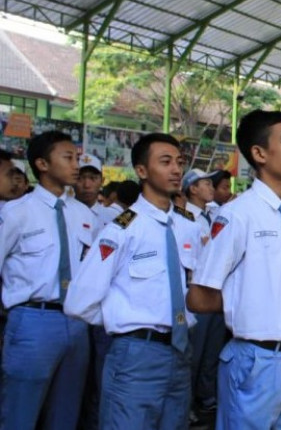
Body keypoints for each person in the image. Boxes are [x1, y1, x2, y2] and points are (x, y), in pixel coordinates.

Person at [187, 110, 281, 429]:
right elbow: (199, 297)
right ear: (259, 153)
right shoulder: (237, 215)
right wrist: (244, 299)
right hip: (256, 358)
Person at [65, 133, 203, 429]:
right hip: (136, 354)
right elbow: (79, 302)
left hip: (180, 351)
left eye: (179, 162)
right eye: (165, 162)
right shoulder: (122, 229)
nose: (176, 170)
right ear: (141, 171)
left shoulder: (187, 225)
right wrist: (124, 321)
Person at [0, 131, 97, 429]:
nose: (76, 165)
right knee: (20, 410)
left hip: (76, 321)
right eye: (68, 158)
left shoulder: (84, 214)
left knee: (65, 411)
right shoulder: (16, 213)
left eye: (77, 158)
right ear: (42, 164)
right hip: (32, 320)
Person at [182, 168, 224, 424]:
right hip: (197, 293)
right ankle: (186, 403)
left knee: (211, 353)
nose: (211, 186)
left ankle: (206, 399)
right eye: (205, 183)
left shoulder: (217, 215)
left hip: (217, 293)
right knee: (193, 356)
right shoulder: (184, 218)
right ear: (192, 189)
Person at [75, 153, 120, 226]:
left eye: (93, 178)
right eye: (80, 178)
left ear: (102, 181)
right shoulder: (63, 213)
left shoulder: (113, 217)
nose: (87, 185)